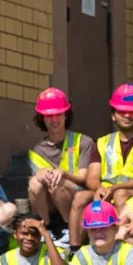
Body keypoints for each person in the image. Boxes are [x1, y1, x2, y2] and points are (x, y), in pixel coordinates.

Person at [27, 88, 96, 247]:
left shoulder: (83, 142)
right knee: (35, 183)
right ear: (42, 118)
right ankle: (47, 229)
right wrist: (39, 174)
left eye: (58, 114)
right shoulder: (37, 150)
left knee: (56, 181)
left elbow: (84, 178)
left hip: (77, 198)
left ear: (66, 115)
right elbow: (34, 190)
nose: (54, 119)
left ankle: (67, 229)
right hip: (50, 203)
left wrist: (64, 173)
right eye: (49, 115)